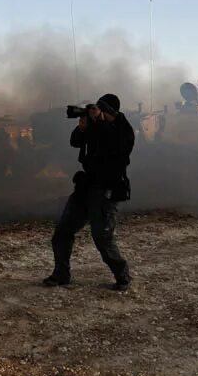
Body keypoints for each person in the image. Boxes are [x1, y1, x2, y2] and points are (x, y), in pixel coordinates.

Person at [44, 93, 134, 291]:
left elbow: (115, 147)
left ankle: (122, 275)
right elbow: (75, 142)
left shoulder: (122, 130)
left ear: (107, 111)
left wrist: (96, 124)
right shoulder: (96, 125)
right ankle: (61, 274)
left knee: (102, 237)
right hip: (86, 186)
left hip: (106, 189)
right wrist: (81, 128)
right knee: (62, 232)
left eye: (99, 109)